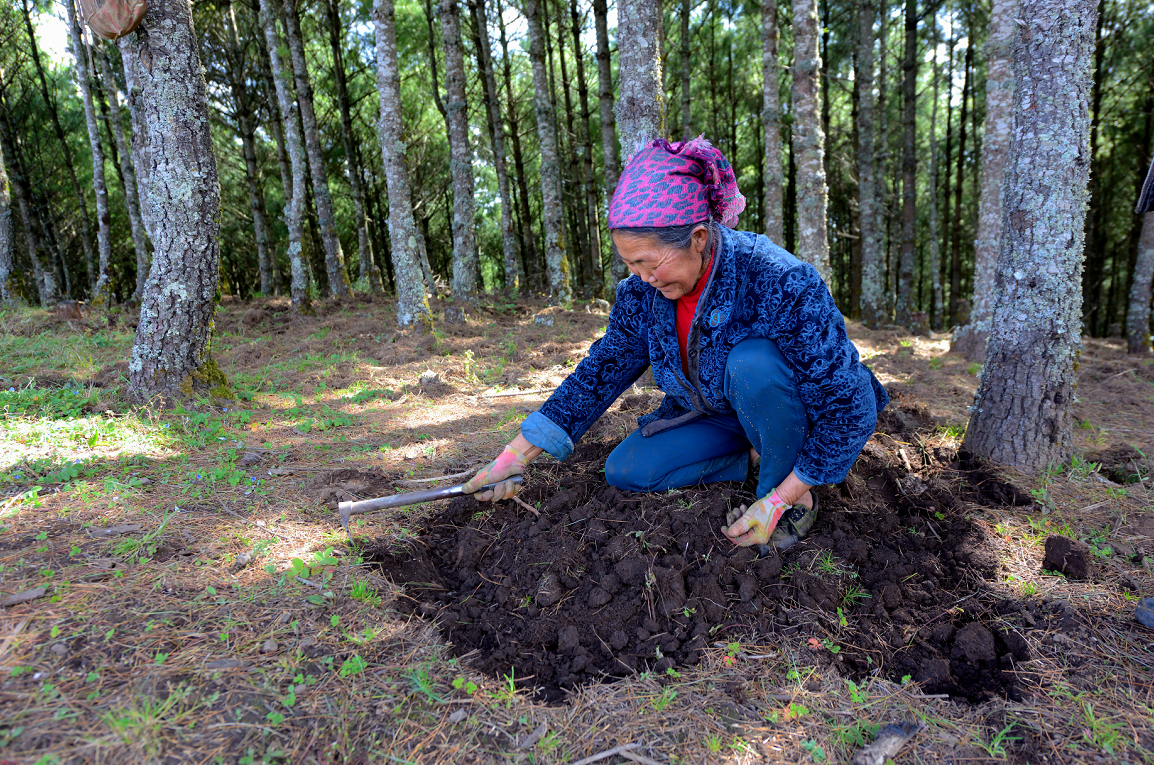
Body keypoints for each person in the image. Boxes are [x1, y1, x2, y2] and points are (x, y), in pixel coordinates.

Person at [463, 137, 888, 549]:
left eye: (647, 262)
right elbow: (600, 373)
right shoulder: (643, 295)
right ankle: (759, 453)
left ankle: (793, 489)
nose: (642, 277)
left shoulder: (779, 280)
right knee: (628, 470)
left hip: (788, 406)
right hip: (719, 412)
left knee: (752, 363)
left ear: (698, 238)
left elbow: (850, 406)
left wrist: (782, 497)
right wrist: (516, 454)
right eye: (630, 263)